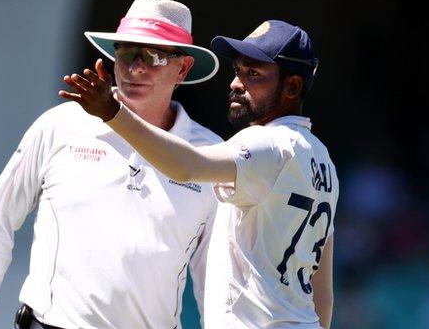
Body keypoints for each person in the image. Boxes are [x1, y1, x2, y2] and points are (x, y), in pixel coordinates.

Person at [0, 0, 224, 329]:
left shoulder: (210, 155)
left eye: (154, 55)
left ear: (182, 69)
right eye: (127, 53)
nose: (136, 67)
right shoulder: (60, 126)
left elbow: (214, 279)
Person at [60, 19, 339, 329]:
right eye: (237, 71)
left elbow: (186, 166)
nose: (236, 83)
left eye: (253, 74)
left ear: (292, 87)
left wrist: (113, 113)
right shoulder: (322, 159)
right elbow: (322, 292)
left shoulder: (266, 143)